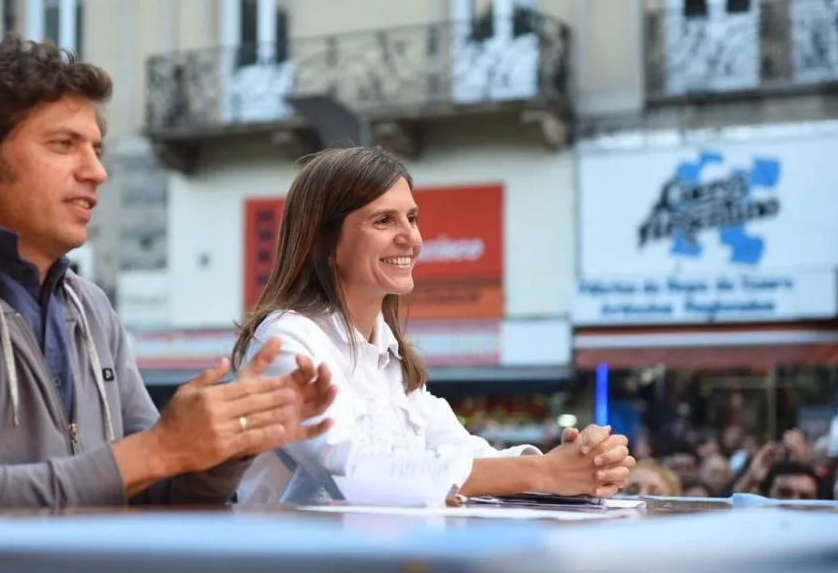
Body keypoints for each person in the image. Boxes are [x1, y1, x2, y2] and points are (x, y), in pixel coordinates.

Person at [0, 35, 337, 512]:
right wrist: (160, 450)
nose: (97, 171)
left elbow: (154, 490)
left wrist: (225, 446)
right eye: (63, 144)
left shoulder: (90, 307)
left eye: (96, 149)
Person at [230, 146, 635, 505]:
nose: (411, 238)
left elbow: (459, 451)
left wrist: (575, 464)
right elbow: (354, 473)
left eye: (411, 217)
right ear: (325, 244)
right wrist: (543, 473)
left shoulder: (388, 353)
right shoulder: (285, 338)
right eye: (383, 221)